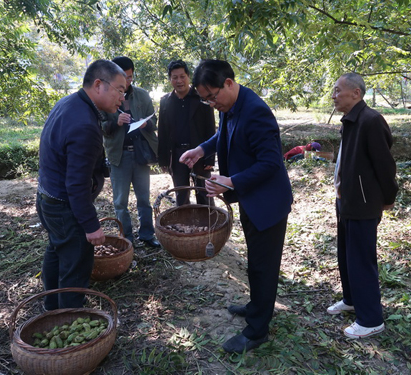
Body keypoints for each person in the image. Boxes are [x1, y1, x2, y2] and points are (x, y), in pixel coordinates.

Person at [180, 59, 293, 354]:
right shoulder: (231, 106)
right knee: (255, 260)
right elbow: (224, 135)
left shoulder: (255, 112)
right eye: (205, 99)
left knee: (263, 265)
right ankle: (257, 305)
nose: (211, 103)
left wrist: (231, 181)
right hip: (252, 198)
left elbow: (271, 163)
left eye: (212, 96)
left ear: (228, 83)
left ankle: (257, 331)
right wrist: (202, 148)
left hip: (268, 202)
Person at [36, 59, 126, 310]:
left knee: (57, 249)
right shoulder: (85, 125)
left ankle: (51, 307)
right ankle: (70, 316)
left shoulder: (70, 103)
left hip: (47, 196)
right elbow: (76, 184)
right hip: (64, 205)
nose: (122, 97)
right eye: (120, 90)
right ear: (99, 85)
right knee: (76, 262)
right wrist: (91, 226)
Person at [328, 73, 398, 338]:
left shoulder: (371, 121)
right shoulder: (350, 121)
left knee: (361, 258)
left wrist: (388, 197)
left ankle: (371, 319)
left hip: (364, 202)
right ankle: (351, 300)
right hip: (346, 199)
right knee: (346, 254)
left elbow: (385, 165)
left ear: (356, 93)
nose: (334, 96)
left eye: (338, 90)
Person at [101, 56, 161, 248]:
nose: (127, 82)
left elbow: (155, 122)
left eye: (130, 77)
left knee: (144, 198)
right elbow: (98, 125)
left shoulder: (142, 95)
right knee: (120, 202)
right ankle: (126, 238)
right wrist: (114, 123)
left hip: (140, 154)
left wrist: (146, 123)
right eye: (123, 77)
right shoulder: (105, 97)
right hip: (119, 155)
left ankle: (147, 235)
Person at [157, 60, 216, 206]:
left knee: (204, 192)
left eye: (182, 76)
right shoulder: (166, 101)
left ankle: (208, 225)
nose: (179, 81)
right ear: (170, 79)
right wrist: (163, 159)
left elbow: (210, 128)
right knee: (181, 193)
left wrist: (209, 158)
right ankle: (185, 225)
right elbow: (163, 131)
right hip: (177, 154)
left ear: (188, 76)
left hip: (199, 153)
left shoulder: (201, 98)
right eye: (175, 77)